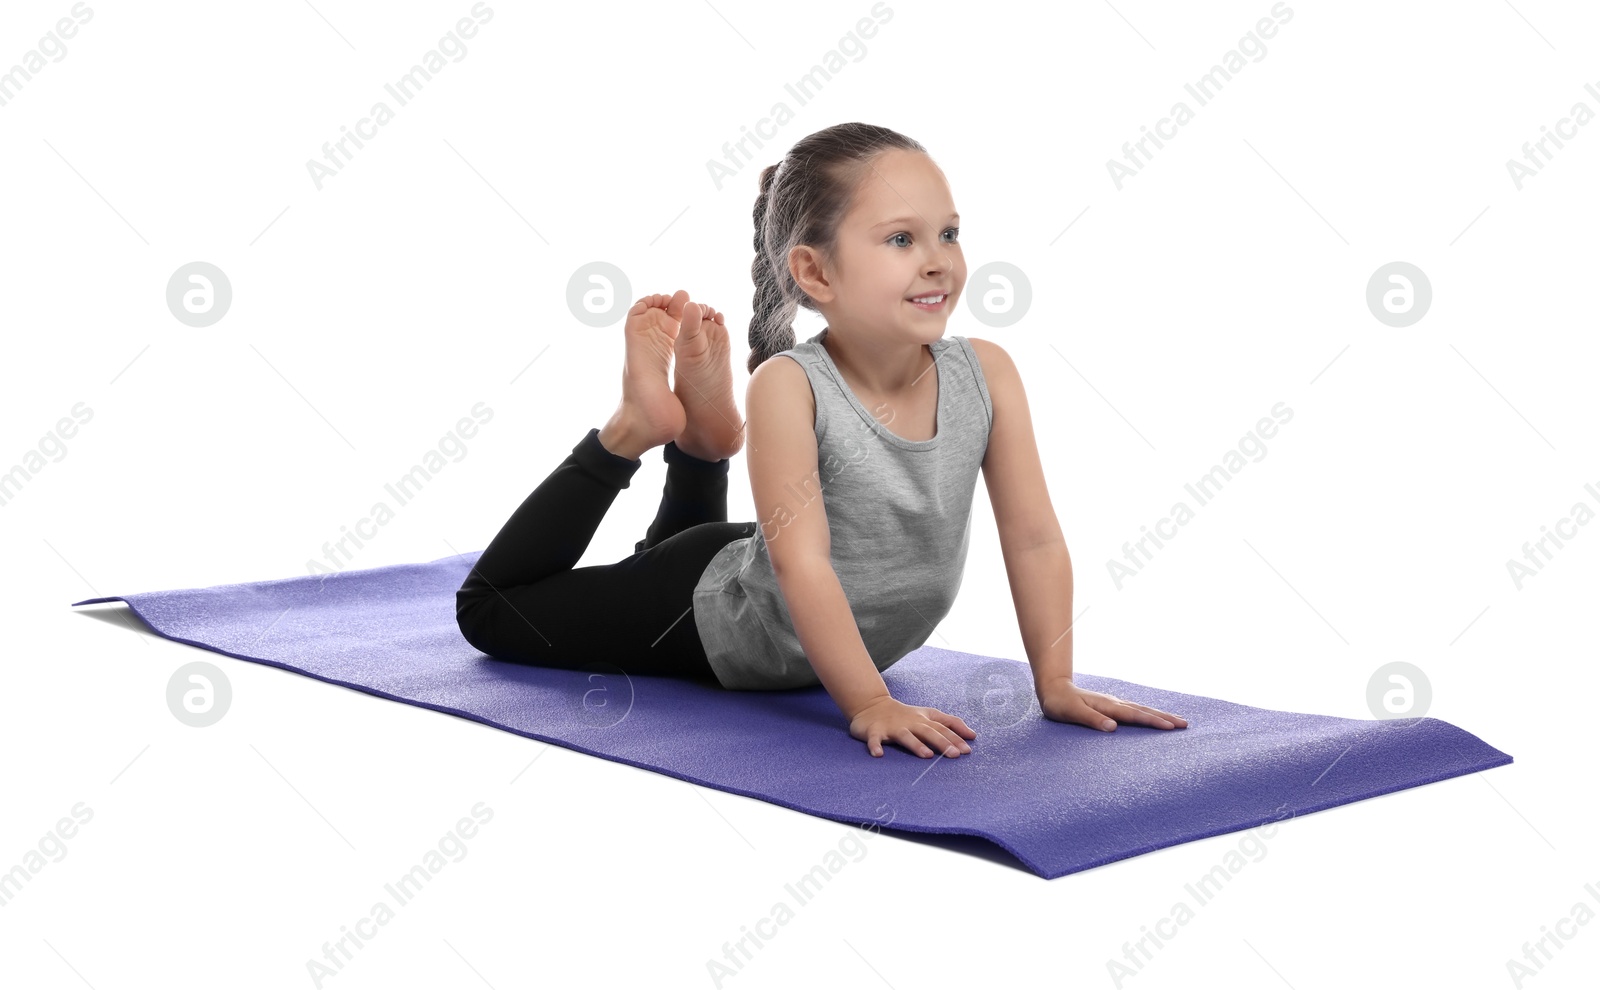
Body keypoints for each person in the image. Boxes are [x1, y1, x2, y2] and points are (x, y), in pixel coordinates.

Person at [456, 121, 1187, 759]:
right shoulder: (790, 383)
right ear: (814, 271)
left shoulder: (987, 373)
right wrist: (868, 701)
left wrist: (1053, 680)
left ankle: (704, 446)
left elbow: (1033, 538)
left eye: (949, 233)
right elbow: (801, 564)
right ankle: (634, 430)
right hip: (719, 615)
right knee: (492, 612)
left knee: (666, 559)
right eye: (902, 239)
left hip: (763, 572)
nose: (938, 259)